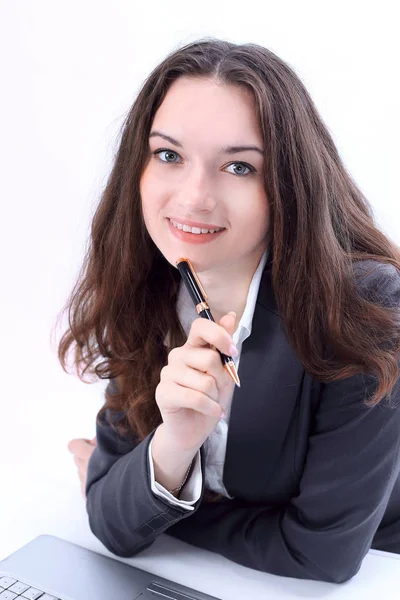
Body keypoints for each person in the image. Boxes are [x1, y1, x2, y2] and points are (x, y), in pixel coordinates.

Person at [59, 37, 400, 584]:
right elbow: (109, 524)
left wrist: (170, 509)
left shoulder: (365, 305)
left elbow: (324, 554)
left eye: (239, 167)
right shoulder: (148, 286)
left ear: (288, 184)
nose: (194, 197)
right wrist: (175, 443)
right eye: (168, 155)